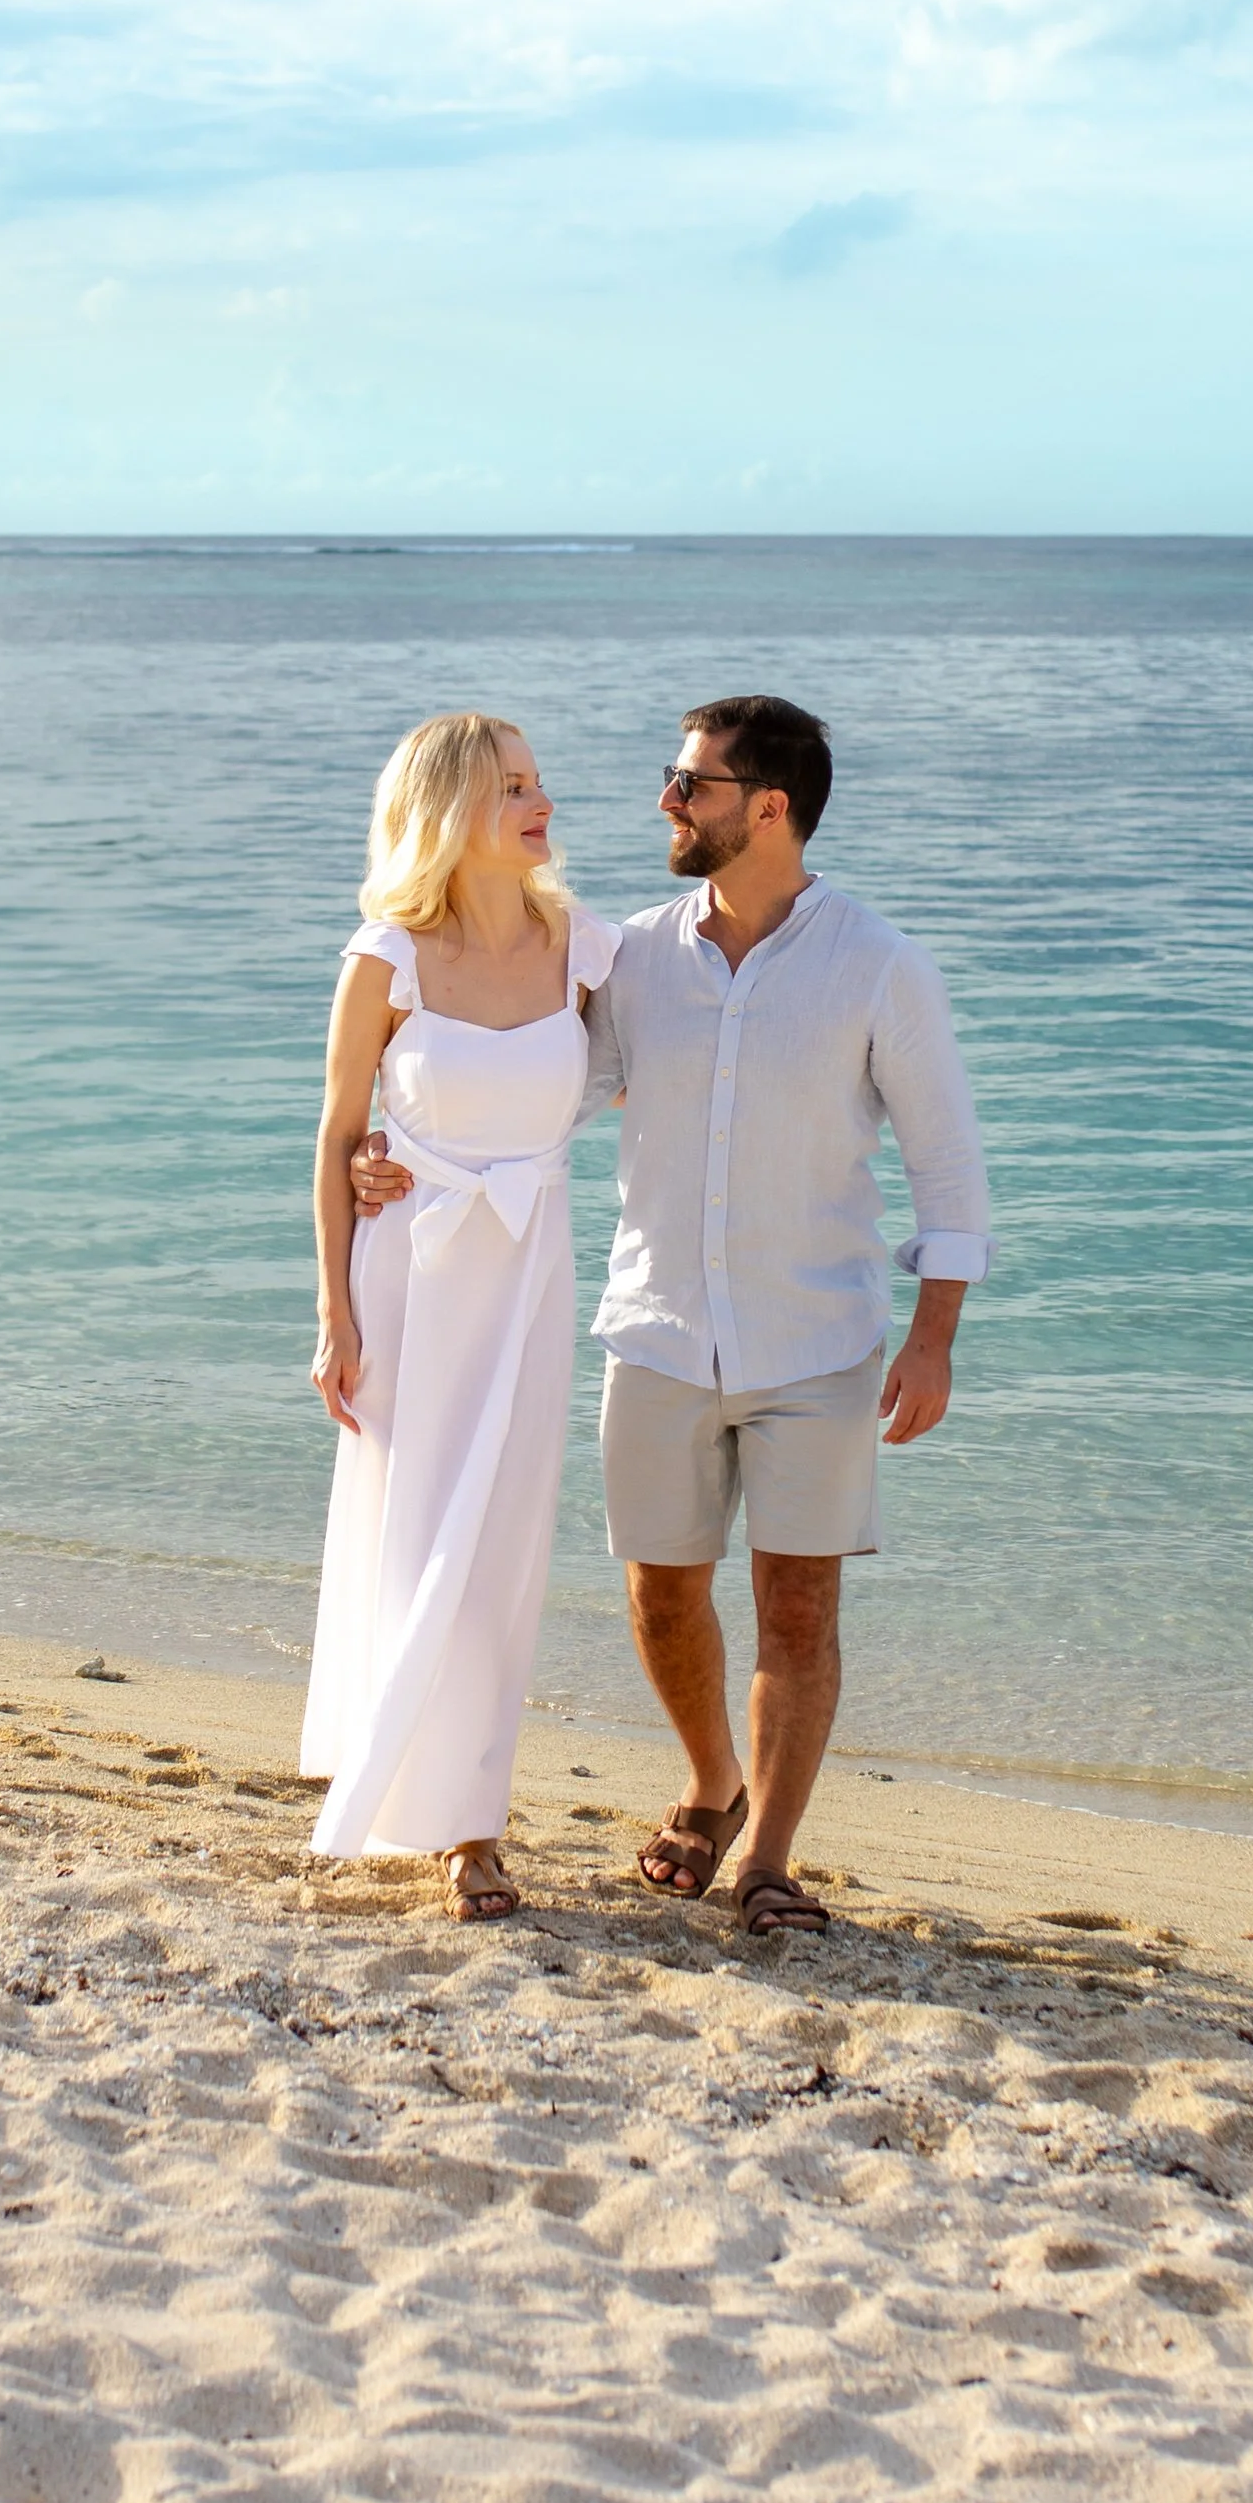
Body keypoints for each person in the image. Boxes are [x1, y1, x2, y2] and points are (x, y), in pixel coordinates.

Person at [354, 692, 990, 1938]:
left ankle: (769, 1862)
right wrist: (393, 1156)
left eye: (689, 784)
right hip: (653, 1331)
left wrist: (933, 1335)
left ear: (767, 809)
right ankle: (713, 1779)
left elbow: (947, 1163)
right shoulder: (630, 954)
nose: (663, 801)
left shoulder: (880, 966)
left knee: (799, 1605)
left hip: (819, 1340)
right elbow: (541, 1096)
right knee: (658, 1593)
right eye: (671, 777)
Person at [301, 713, 620, 1921]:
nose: (542, 805)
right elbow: (337, 1141)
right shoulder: (386, 955)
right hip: (408, 1275)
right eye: (511, 791)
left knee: (500, 1552)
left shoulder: (585, 950)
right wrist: (334, 1312)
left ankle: (469, 1822)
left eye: (539, 784)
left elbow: (655, 1074)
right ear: (448, 813)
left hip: (527, 1276)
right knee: (414, 1535)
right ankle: (429, 1812)